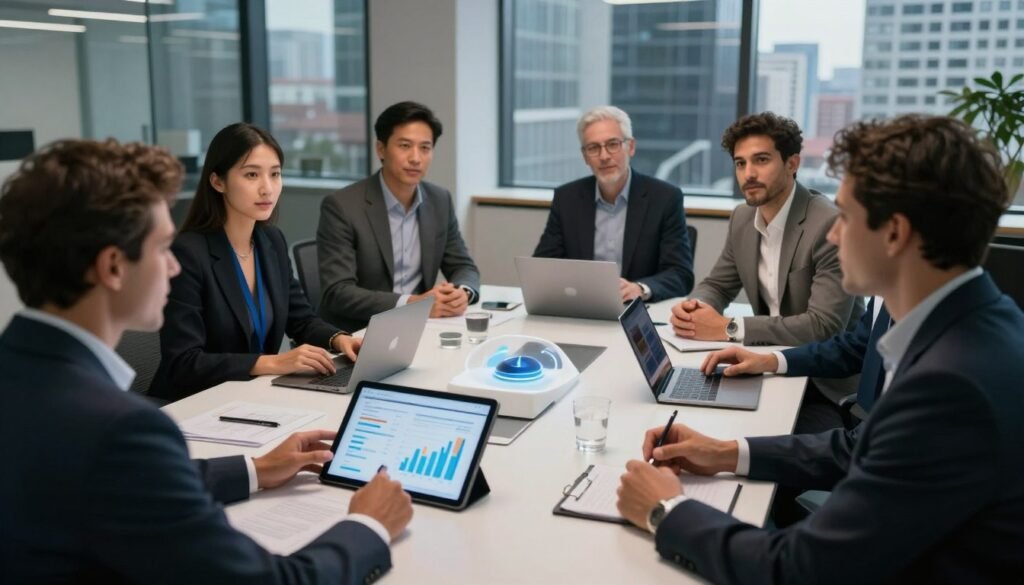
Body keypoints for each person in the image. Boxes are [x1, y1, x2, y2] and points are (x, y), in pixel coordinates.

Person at [616, 115, 1024, 584]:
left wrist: (666, 510)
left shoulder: (952, 384)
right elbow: (860, 449)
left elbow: (800, 569)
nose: (833, 233)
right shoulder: (958, 322)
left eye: (846, 217)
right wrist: (726, 451)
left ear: (895, 232)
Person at [0, 138, 414, 583]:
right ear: (114, 267)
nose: (173, 267)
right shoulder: (123, 430)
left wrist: (254, 468)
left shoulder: (20, 376)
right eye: (162, 248)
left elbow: (125, 480)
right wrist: (367, 525)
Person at [671, 112, 864, 432]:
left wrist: (729, 327)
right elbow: (718, 283)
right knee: (689, 416)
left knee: (749, 444)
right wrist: (696, 309)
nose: (749, 173)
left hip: (820, 384)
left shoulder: (826, 223)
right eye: (740, 163)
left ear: (792, 163)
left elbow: (824, 327)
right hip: (764, 364)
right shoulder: (743, 218)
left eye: (761, 160)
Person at [150, 123, 360, 401]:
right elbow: (184, 363)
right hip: (195, 402)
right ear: (217, 181)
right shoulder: (188, 254)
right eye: (251, 175)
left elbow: (301, 320)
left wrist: (340, 339)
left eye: (275, 174)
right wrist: (273, 363)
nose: (267, 188)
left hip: (252, 396)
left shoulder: (270, 242)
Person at [317, 101, 481, 332]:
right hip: (360, 333)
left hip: (421, 328)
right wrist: (412, 304)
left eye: (425, 148)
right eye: (405, 146)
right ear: (381, 149)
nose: (416, 158)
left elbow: (463, 266)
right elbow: (338, 292)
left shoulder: (439, 200)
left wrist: (462, 293)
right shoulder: (342, 206)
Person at [533, 106, 694, 302]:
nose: (604, 156)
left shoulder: (665, 198)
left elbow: (680, 274)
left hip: (636, 312)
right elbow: (542, 267)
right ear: (585, 156)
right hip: (582, 308)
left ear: (631, 147)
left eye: (613, 144)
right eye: (593, 148)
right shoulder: (567, 199)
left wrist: (640, 289)